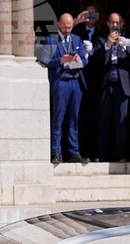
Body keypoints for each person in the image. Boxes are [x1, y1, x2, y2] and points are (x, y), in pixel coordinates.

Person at [43, 14, 89, 165]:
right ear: (59, 24)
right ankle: (56, 151)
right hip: (61, 81)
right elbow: (45, 61)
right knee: (58, 118)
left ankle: (73, 152)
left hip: (75, 81)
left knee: (74, 118)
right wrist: (60, 61)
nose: (68, 30)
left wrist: (80, 60)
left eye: (70, 27)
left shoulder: (76, 39)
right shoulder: (51, 40)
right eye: (65, 27)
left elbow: (85, 58)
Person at [93, 13, 130, 163]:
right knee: (104, 121)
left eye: (117, 22)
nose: (114, 25)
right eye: (112, 22)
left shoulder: (127, 39)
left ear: (122, 24)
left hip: (122, 87)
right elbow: (96, 57)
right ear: (107, 24)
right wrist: (108, 44)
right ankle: (103, 153)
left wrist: (123, 44)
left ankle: (120, 154)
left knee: (121, 122)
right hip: (106, 86)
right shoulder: (101, 39)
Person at [73, 5, 103, 160]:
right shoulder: (77, 31)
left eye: (94, 13)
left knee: (95, 118)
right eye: (88, 13)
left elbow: (103, 56)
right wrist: (77, 21)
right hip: (77, 80)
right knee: (78, 117)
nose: (90, 16)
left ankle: (95, 152)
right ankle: (77, 151)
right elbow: (63, 34)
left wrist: (94, 52)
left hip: (96, 84)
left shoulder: (101, 35)